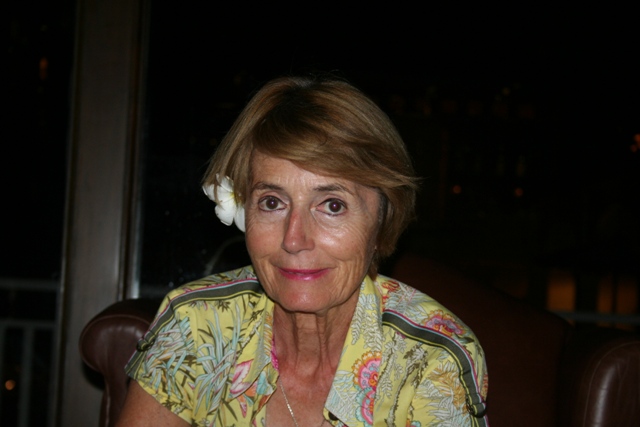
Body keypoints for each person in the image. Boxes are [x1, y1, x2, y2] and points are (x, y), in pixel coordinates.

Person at [117, 75, 489, 427]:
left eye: (332, 205)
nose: (294, 239)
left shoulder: (431, 361)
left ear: (381, 221)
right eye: (272, 202)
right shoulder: (194, 328)